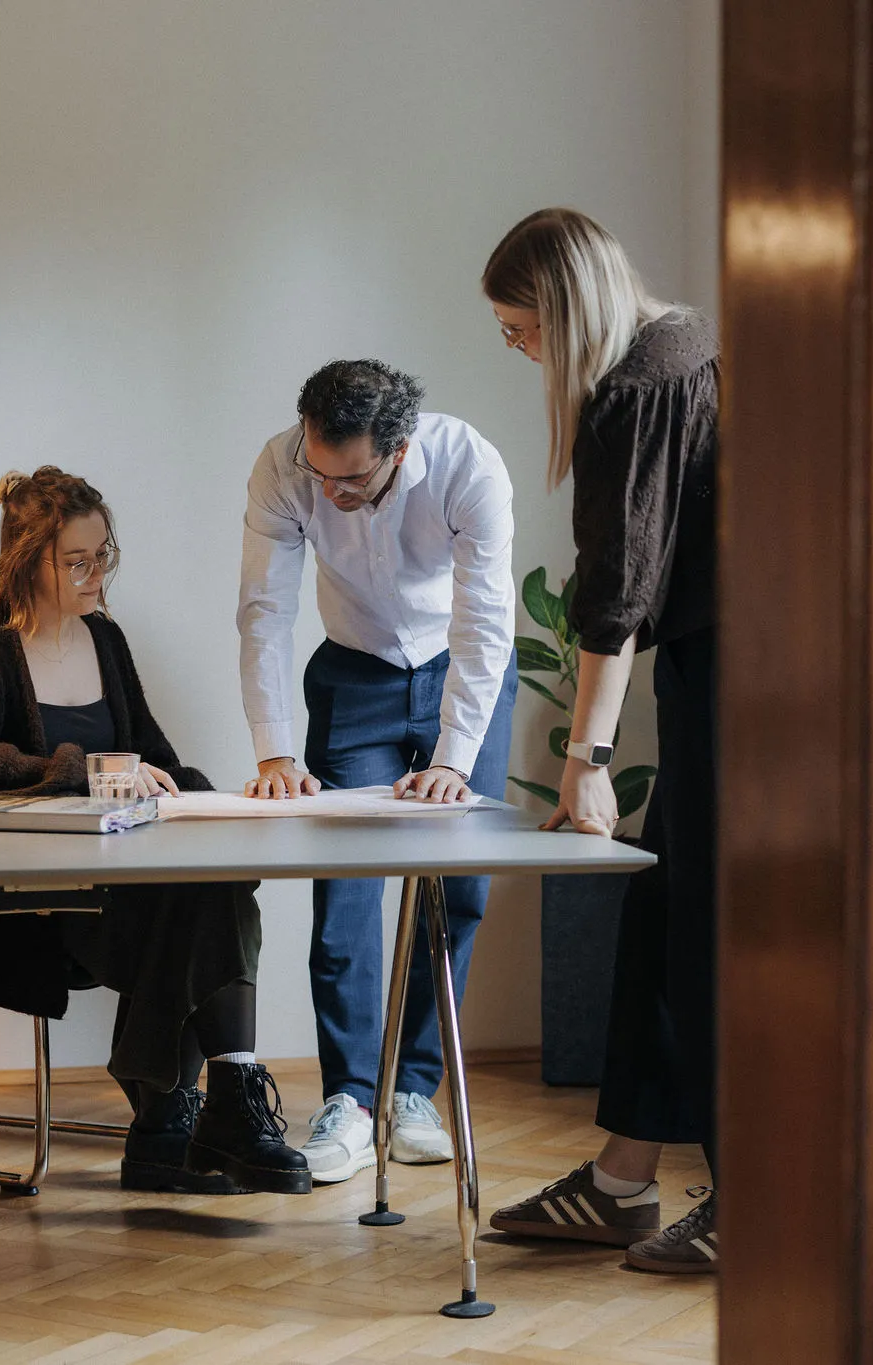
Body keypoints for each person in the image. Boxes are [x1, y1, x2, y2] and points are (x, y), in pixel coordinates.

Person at [0, 466, 309, 1197]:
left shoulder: (105, 637)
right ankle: (187, 1117)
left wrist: (204, 794)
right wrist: (78, 767)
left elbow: (150, 754)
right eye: (77, 560)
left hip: (115, 878)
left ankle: (193, 1115)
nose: (97, 574)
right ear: (25, 560)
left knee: (209, 887)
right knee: (205, 906)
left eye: (104, 556)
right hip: (19, 897)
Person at [476, 208, 721, 1274]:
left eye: (517, 326)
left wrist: (585, 766)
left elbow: (613, 600)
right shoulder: (698, 345)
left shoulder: (633, 389)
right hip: (751, 667)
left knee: (709, 932)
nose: (518, 348)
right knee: (668, 916)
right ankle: (624, 1180)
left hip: (738, 678)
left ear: (563, 311)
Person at [236, 359, 519, 1184]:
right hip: (353, 670)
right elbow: (264, 606)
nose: (331, 492)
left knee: (459, 887)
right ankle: (352, 1100)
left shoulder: (469, 465)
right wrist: (274, 747)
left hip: (459, 671)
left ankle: (415, 1093)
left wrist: (453, 756)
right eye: (320, 474)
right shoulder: (285, 466)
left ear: (399, 448)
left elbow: (487, 616)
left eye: (351, 477)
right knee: (347, 890)